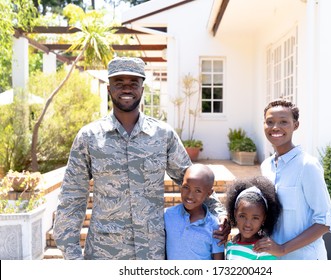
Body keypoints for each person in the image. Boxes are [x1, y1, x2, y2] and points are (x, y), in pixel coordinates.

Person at [53, 56, 228, 260]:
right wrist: (72, 254)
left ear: (142, 90)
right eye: (119, 83)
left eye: (133, 83)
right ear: (109, 89)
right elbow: (72, 197)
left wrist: (219, 212)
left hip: (151, 253)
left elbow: (189, 179)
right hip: (105, 253)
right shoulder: (89, 137)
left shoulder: (163, 135)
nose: (126, 89)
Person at [254, 98, 331, 260]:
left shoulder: (308, 165)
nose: (275, 127)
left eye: (283, 122)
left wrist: (283, 249)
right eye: (270, 122)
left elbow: (325, 222)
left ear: (295, 125)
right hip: (274, 260)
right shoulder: (266, 166)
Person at [164, 164, 225, 260]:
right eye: (186, 187)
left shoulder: (215, 226)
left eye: (198, 191)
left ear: (209, 193)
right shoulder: (167, 216)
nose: (190, 195)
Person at [225, 176, 281, 260]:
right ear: (235, 214)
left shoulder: (265, 252)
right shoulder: (230, 245)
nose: (247, 224)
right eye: (242, 216)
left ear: (264, 218)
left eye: (255, 218)